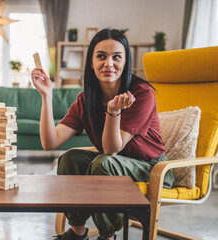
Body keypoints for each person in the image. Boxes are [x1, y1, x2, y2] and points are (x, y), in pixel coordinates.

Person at [31, 28, 174, 240]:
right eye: (101, 56)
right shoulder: (86, 99)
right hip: (114, 163)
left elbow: (111, 149)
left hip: (151, 169)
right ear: (91, 62)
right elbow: (50, 142)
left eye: (117, 57)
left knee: (103, 163)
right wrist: (47, 95)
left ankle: (108, 237)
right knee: (70, 158)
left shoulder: (142, 94)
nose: (109, 63)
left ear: (125, 62)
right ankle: (77, 233)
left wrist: (113, 111)